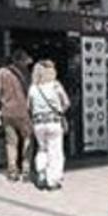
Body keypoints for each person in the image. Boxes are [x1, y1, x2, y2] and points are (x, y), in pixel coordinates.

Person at [28, 59, 70, 190]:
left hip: (38, 123)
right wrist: (60, 110)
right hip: (54, 122)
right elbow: (67, 102)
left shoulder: (33, 88)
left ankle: (41, 172)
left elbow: (28, 106)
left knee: (42, 149)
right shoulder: (55, 85)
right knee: (55, 151)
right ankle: (53, 180)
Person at [0, 49, 33, 182]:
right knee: (27, 139)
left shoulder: (1, 72)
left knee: (11, 143)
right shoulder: (26, 73)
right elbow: (30, 92)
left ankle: (12, 171)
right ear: (22, 60)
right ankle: (26, 170)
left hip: (7, 112)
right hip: (24, 112)